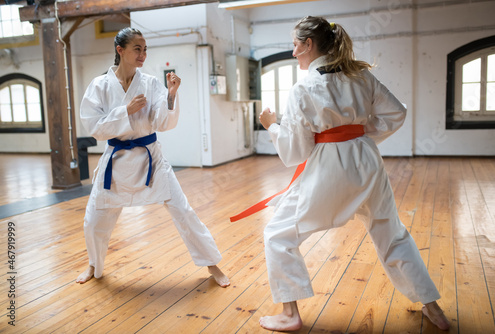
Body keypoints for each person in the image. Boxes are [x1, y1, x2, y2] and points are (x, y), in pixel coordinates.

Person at [257, 16, 450, 331]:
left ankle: (290, 314)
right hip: (367, 161)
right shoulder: (361, 76)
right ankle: (433, 308)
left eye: (295, 45)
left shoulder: (304, 87)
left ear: (308, 44)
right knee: (392, 233)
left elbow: (295, 153)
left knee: (277, 234)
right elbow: (396, 112)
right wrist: (358, 133)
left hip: (330, 170)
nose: (293, 53)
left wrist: (272, 126)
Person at [76, 27, 229, 288]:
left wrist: (170, 93)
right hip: (116, 159)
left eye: (145, 49)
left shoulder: (149, 83)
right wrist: (126, 110)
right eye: (138, 48)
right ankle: (94, 263)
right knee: (93, 218)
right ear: (120, 50)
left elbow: (162, 122)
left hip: (152, 160)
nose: (143, 54)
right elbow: (95, 128)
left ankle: (212, 263)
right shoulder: (99, 85)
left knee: (183, 210)